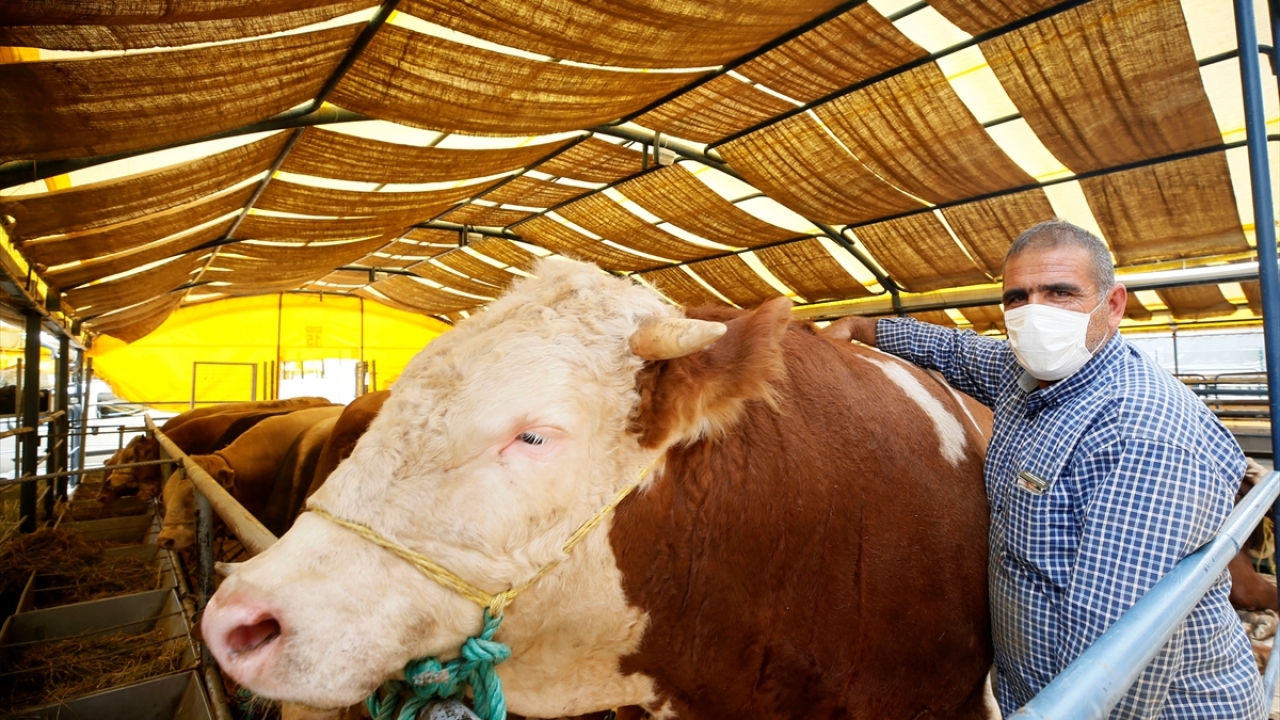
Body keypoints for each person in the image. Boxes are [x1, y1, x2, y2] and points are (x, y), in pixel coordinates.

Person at [829, 220, 1264, 718]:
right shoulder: (1027, 376)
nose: (1035, 313)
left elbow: (1116, 660)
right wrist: (867, 328)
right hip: (1037, 695)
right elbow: (954, 350)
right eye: (1017, 297)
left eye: (1060, 292)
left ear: (1114, 305)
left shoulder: (1142, 434)